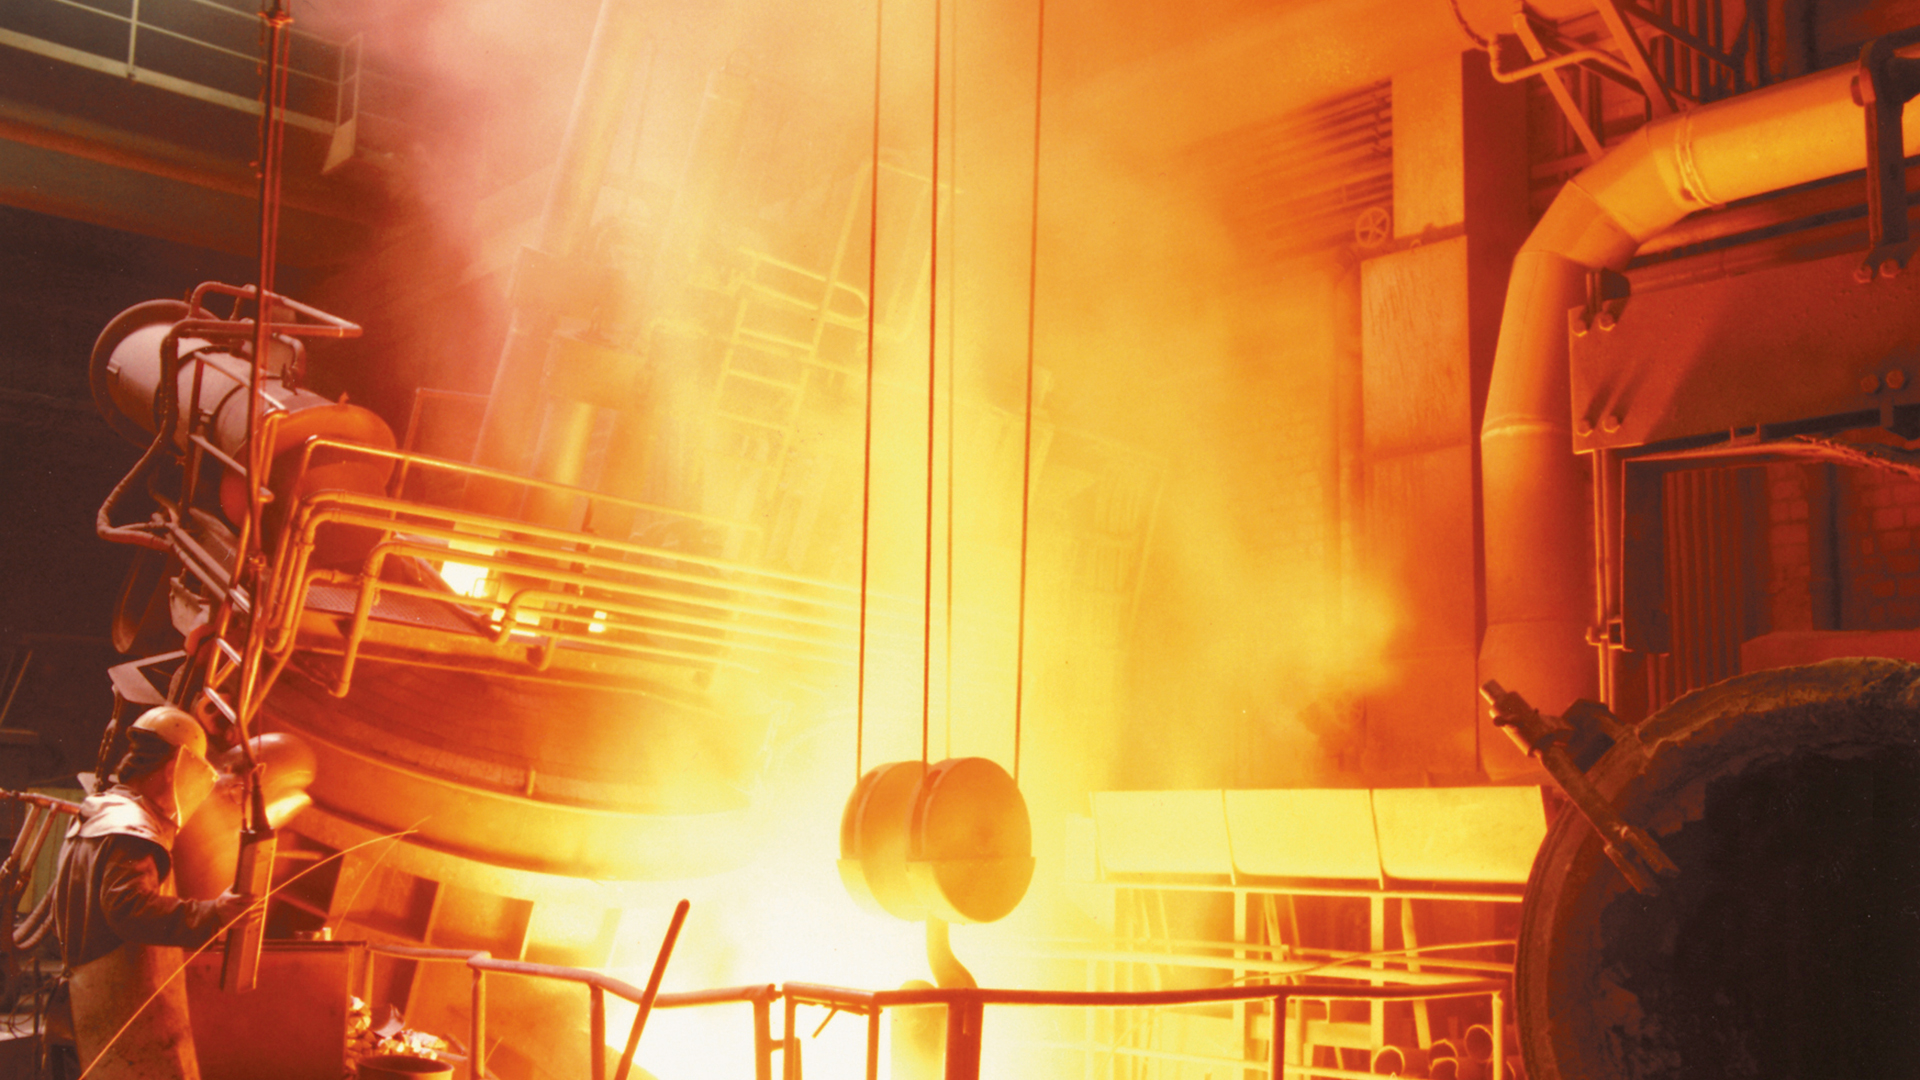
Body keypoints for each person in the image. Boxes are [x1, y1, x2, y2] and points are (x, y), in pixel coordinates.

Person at [52, 705, 248, 1080]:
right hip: (122, 1017)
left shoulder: (102, 811)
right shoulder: (132, 830)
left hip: (87, 1005)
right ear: (177, 767)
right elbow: (129, 910)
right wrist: (214, 912)